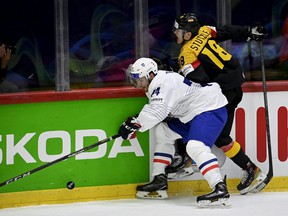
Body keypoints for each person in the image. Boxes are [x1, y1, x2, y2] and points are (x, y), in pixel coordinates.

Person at [166, 13, 268, 195]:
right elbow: (226, 31)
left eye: (179, 31)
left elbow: (199, 79)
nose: (176, 34)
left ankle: (187, 158)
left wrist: (177, 72)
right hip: (235, 84)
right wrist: (248, 31)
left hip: (222, 93)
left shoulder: (187, 53)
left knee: (187, 116)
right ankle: (251, 169)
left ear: (188, 34)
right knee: (220, 135)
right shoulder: (204, 31)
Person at [118, 57, 230, 206]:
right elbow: (159, 110)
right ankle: (159, 179)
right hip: (191, 114)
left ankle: (219, 187)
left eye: (140, 80)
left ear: (151, 75)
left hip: (208, 108)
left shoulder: (161, 83)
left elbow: (158, 110)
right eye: (135, 80)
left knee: (195, 146)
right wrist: (136, 122)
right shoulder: (157, 82)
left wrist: (137, 123)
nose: (138, 84)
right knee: (163, 131)